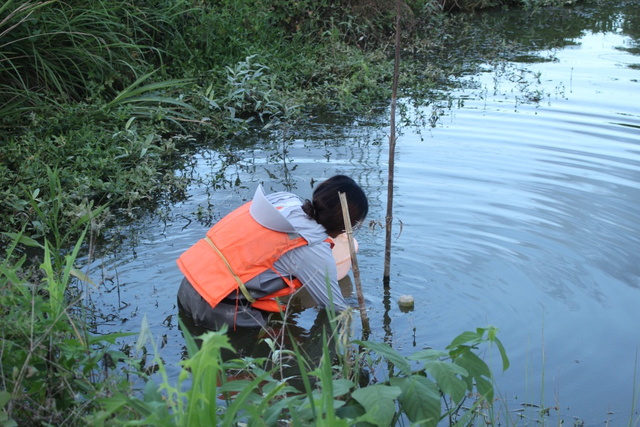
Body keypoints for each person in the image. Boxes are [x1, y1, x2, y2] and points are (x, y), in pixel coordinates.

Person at [176, 175, 368, 329]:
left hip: (188, 286)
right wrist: (363, 318)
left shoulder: (284, 201)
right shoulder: (313, 248)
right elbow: (336, 309)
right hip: (213, 307)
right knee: (284, 345)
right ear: (347, 226)